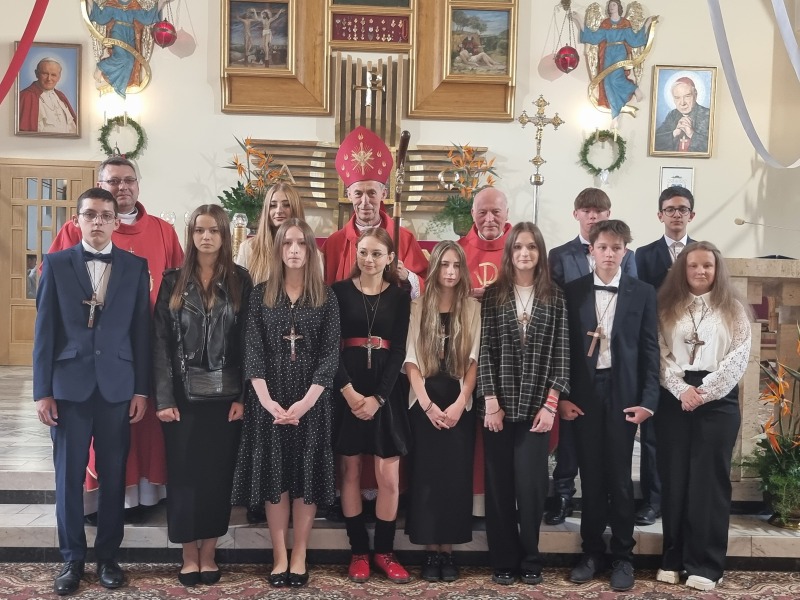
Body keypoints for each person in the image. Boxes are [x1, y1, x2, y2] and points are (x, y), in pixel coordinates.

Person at [48, 156, 183, 521]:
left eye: (129, 180)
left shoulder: (163, 231)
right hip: (89, 356)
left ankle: (145, 496)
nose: (122, 187)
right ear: (100, 185)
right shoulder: (77, 228)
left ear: (138, 184)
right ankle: (96, 507)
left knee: (142, 428)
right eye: (113, 181)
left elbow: (178, 287)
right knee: (93, 442)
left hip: (147, 346)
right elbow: (52, 294)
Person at [33, 187, 150, 596]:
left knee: (115, 474)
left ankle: (108, 558)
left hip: (118, 385)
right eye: (90, 214)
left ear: (116, 222)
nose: (97, 221)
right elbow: (44, 330)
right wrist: (42, 391)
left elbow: (141, 332)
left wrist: (141, 389)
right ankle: (71, 559)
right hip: (69, 385)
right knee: (69, 477)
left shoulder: (135, 267)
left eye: (105, 215)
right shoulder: (56, 264)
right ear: (77, 220)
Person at [232, 218, 340, 588]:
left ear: (311, 249)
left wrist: (306, 403)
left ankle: (300, 553)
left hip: (312, 401)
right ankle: (279, 553)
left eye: (301, 243)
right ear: (277, 249)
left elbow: (330, 355)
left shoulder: (326, 297)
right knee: (275, 476)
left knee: (306, 476)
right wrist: (267, 401)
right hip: (270, 400)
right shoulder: (261, 294)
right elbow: (252, 350)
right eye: (287, 243)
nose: (294, 250)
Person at [153, 205, 252, 587]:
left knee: (216, 477)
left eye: (213, 231)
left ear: (225, 235)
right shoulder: (172, 281)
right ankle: (187, 554)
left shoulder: (240, 280)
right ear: (191, 235)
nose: (206, 237)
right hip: (182, 396)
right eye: (199, 230)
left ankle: (208, 552)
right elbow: (160, 343)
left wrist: (243, 396)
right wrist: (164, 398)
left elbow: (247, 344)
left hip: (225, 397)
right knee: (183, 476)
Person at [560, 219, 660, 592]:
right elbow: (564, 349)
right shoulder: (572, 291)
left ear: (625, 252)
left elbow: (650, 350)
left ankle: (623, 555)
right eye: (602, 247)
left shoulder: (642, 292)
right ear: (591, 250)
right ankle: (591, 552)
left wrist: (648, 401)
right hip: (584, 395)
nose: (608, 254)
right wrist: (563, 397)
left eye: (616, 248)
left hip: (623, 394)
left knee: (619, 478)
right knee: (590, 475)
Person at [654, 241, 751, 592]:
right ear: (682, 269)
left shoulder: (733, 309)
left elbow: (739, 355)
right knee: (675, 479)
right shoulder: (666, 306)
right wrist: (681, 390)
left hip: (718, 401)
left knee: (708, 483)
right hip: (674, 399)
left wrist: (704, 392)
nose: (700, 271)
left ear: (717, 269)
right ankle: (673, 558)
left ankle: (707, 564)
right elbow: (659, 352)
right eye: (693, 265)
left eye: (707, 265)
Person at [477, 222, 569, 586]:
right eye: (518, 247)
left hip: (536, 408)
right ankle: (503, 558)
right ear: (509, 252)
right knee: (499, 486)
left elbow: (562, 354)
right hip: (498, 406)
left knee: (531, 488)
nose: (524, 253)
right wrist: (490, 401)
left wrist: (551, 405)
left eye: (531, 247)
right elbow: (484, 350)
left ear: (540, 252)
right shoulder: (494, 295)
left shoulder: (555, 296)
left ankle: (531, 557)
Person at [545, 187, 637, 525]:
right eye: (587, 210)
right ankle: (563, 493)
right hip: (574, 355)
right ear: (577, 214)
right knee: (571, 434)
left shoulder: (628, 255)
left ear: (608, 214)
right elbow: (555, 302)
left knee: (610, 443)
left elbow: (632, 303)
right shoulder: (560, 255)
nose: (593, 215)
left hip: (613, 360)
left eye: (599, 210)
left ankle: (609, 501)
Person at [332, 227, 412, 584]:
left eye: (377, 253)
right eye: (363, 252)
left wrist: (379, 397)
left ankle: (384, 551)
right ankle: (359, 552)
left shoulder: (399, 296)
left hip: (385, 392)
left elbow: (399, 351)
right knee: (349, 472)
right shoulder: (338, 292)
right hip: (347, 388)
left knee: (388, 478)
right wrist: (349, 392)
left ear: (390, 258)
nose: (369, 259)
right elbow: (330, 347)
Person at [403, 241, 480, 582]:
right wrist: (427, 405)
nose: (450, 272)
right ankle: (430, 552)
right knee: (426, 477)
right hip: (425, 401)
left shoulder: (472, 308)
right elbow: (410, 359)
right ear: (435, 268)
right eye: (444, 265)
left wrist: (461, 402)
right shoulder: (418, 307)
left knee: (454, 478)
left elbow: (475, 358)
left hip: (458, 401)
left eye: (456, 265)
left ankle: (448, 551)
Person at [633, 186, 696, 526]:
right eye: (670, 209)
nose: (676, 214)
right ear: (660, 215)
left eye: (682, 209)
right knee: (654, 434)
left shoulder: (701, 253)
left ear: (691, 215)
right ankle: (653, 500)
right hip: (656, 349)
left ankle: (684, 498)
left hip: (693, 351)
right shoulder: (643, 256)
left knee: (688, 432)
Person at [322, 125, 428, 298]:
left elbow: (428, 284)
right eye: (358, 193)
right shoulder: (335, 243)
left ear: (383, 194)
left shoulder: (403, 238)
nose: (365, 202)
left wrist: (407, 276)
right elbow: (321, 289)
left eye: (371, 193)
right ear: (349, 195)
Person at [456, 186, 511, 517]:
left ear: (507, 214)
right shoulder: (459, 251)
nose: (489, 219)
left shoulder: (521, 250)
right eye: (482, 212)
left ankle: (499, 502)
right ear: (472, 214)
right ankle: (470, 500)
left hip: (506, 357)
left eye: (496, 212)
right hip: (466, 352)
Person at [572, 1, 654, 120]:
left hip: (619, 51)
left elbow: (634, 40)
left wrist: (647, 24)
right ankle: (615, 115)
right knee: (607, 81)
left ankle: (635, 89)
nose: (611, 7)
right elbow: (594, 38)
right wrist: (579, 20)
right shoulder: (606, 23)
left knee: (615, 78)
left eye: (614, 4)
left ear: (619, 7)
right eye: (610, 5)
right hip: (608, 53)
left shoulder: (625, 23)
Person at [235, 182, 305, 285]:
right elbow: (238, 290)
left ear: (296, 208)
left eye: (286, 205)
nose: (279, 210)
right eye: (273, 205)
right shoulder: (248, 248)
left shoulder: (312, 252)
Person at [87, 0, 161, 97]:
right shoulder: (113, 5)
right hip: (118, 31)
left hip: (130, 33)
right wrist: (90, 2)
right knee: (122, 56)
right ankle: (101, 66)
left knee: (130, 60)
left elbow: (146, 19)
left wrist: (161, 3)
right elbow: (101, 18)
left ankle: (120, 86)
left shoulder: (133, 6)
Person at [18, 57, 77, 134]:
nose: (49, 79)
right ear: (36, 74)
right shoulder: (26, 96)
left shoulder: (60, 96)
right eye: (45, 74)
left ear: (59, 77)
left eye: (53, 75)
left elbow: (72, 127)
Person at [654, 77, 711, 153]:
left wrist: (691, 134)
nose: (682, 103)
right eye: (677, 98)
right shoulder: (672, 115)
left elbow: (714, 146)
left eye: (687, 96)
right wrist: (674, 133)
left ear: (695, 95)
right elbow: (655, 143)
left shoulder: (708, 115)